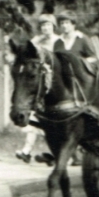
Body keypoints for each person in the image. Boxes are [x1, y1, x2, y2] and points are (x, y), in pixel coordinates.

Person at [15, 14, 59, 163]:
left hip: (55, 81)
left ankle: (55, 154)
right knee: (35, 117)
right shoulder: (36, 41)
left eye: (48, 25)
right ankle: (27, 151)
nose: (45, 28)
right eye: (43, 25)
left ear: (53, 26)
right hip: (40, 83)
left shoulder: (58, 41)